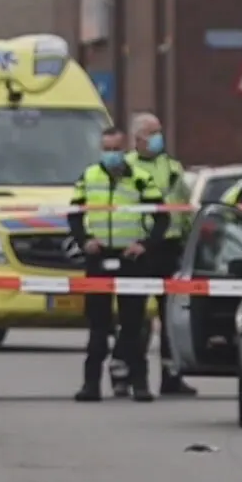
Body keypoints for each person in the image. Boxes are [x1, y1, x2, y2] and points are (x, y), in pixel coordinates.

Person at [68, 126, 168, 403]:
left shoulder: (140, 179)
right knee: (98, 325)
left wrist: (145, 245)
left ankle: (140, 385)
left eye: (116, 149)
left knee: (133, 325)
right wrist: (84, 240)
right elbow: (74, 214)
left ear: (125, 150)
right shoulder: (89, 177)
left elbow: (162, 218)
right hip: (98, 258)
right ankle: (91, 385)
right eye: (106, 149)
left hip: (131, 259)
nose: (111, 155)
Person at [125, 111, 197, 398]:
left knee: (171, 318)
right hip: (140, 249)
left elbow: (184, 206)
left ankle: (172, 376)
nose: (158, 138)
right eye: (152, 133)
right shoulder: (127, 168)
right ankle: (133, 377)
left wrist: (189, 242)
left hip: (169, 247)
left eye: (159, 132)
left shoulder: (173, 168)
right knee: (135, 318)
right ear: (138, 138)